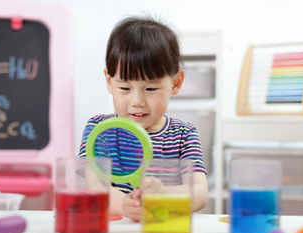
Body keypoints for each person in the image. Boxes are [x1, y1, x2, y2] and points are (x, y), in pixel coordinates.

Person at [79, 16, 208, 222]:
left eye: (150, 88)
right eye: (124, 88)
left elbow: (200, 193)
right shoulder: (99, 129)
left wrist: (162, 194)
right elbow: (95, 187)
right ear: (109, 82)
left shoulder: (184, 134)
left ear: (176, 83)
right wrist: (124, 205)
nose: (137, 101)